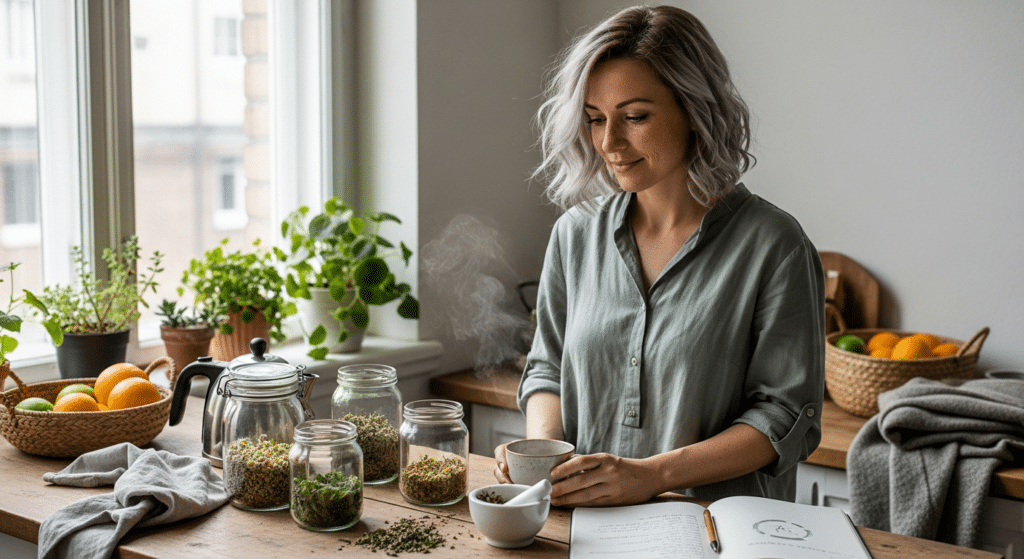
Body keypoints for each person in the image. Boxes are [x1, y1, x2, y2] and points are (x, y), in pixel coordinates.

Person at [493, 5, 825, 507]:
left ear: (695, 109)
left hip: (716, 531)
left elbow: (783, 416)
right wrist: (545, 451)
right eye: (595, 119)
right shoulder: (574, 235)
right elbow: (547, 369)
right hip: (584, 528)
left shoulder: (774, 245)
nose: (609, 143)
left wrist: (652, 475)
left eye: (635, 117)